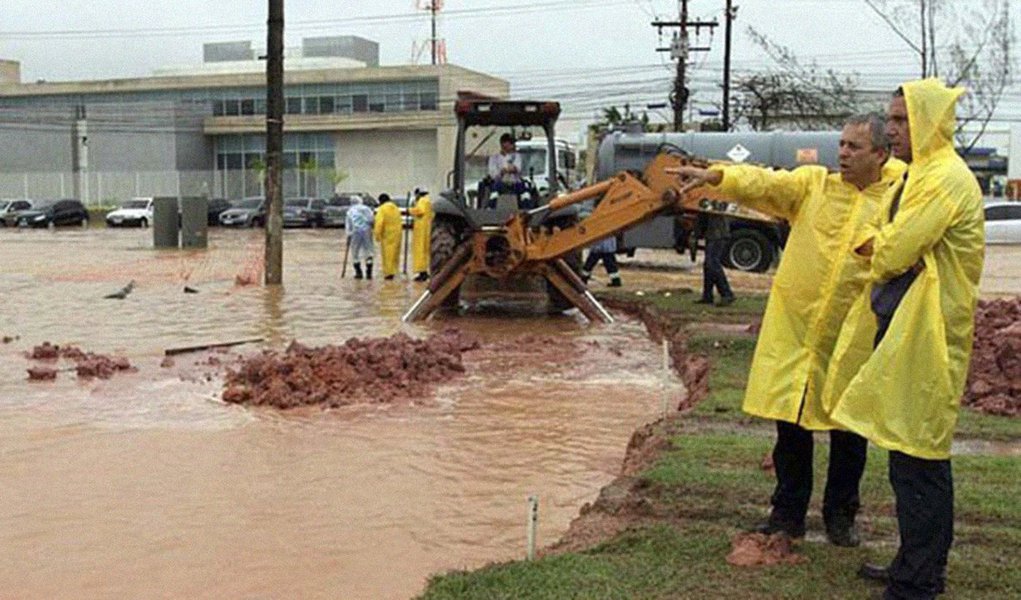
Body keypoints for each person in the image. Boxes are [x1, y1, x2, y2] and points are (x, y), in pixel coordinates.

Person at [671, 113, 906, 547]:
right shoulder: (814, 185)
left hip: (852, 336)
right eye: (842, 145)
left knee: (848, 430)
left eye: (854, 147)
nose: (843, 153)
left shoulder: (900, 194)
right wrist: (719, 175)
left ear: (880, 152)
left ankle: (841, 517)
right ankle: (787, 514)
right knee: (791, 427)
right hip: (799, 329)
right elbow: (765, 183)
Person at [820, 80, 984, 600]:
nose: (892, 128)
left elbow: (894, 251)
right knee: (903, 451)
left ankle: (920, 580)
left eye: (902, 119)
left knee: (921, 458)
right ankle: (910, 564)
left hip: (930, 331)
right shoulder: (924, 175)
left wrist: (888, 248)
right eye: (892, 119)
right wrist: (892, 247)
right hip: (910, 324)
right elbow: (897, 247)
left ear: (930, 122)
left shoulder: (942, 180)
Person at [694, 211, 735, 306]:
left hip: (717, 234)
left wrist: (697, 232)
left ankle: (726, 293)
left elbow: (703, 216)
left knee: (712, 263)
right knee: (708, 265)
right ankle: (707, 295)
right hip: (714, 233)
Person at [373, 193, 403, 280]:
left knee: (387, 255)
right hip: (397, 234)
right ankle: (394, 270)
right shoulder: (395, 208)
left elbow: (379, 223)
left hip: (387, 235)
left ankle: (388, 273)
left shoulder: (382, 209)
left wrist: (377, 235)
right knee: (395, 254)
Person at [344, 196, 375, 280]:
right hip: (367, 232)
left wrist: (348, 235)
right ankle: (369, 273)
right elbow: (372, 220)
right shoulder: (367, 209)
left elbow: (348, 225)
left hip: (355, 233)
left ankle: (358, 273)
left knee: (355, 252)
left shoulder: (350, 211)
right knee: (369, 250)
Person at [408, 187, 434, 282]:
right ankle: (425, 272)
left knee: (420, 251)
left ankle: (422, 273)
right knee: (425, 251)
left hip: (421, 229)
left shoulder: (423, 201)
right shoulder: (428, 201)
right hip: (426, 228)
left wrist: (410, 210)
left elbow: (420, 211)